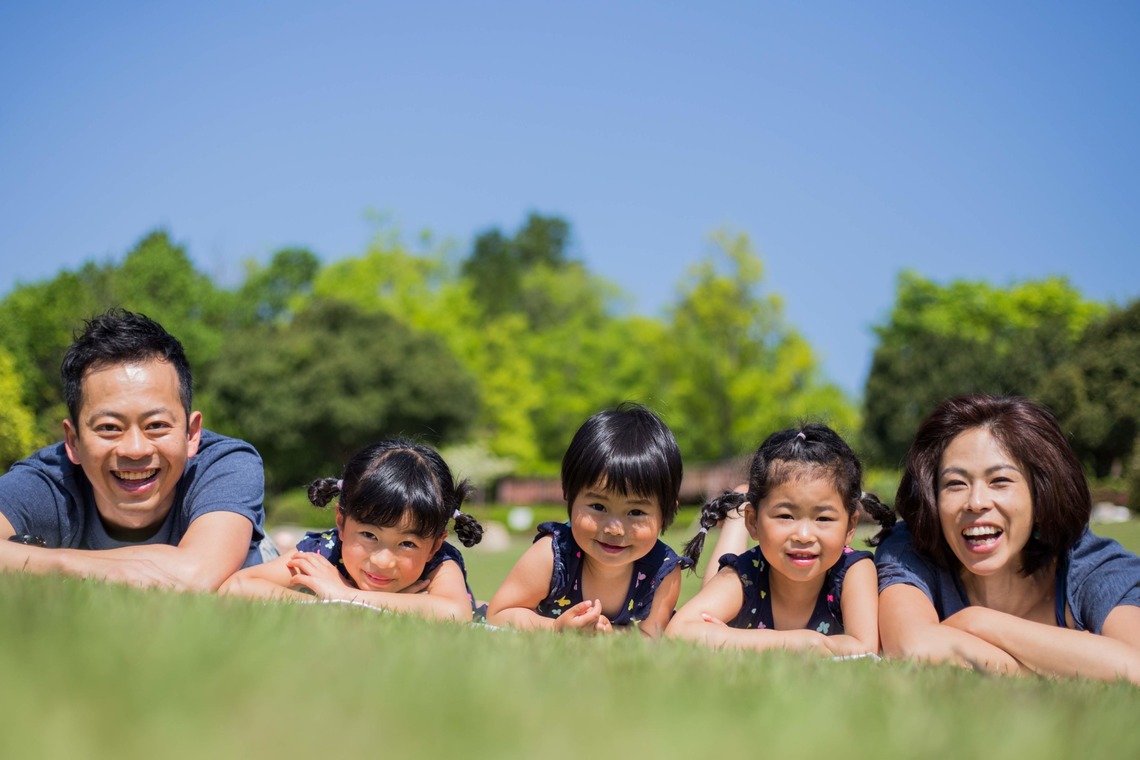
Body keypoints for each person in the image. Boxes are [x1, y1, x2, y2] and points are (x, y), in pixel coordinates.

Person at [875, 394, 1140, 683]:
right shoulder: (909, 548)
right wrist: (1060, 666)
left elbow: (1134, 665)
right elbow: (912, 646)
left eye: (999, 481)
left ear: (1041, 496)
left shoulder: (1094, 565)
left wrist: (977, 621)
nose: (976, 502)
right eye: (955, 484)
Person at [0, 309, 268, 591]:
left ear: (191, 434)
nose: (135, 450)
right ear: (74, 441)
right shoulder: (47, 481)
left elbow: (195, 574)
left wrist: (31, 560)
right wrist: (64, 564)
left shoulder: (226, 464)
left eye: (156, 425)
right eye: (109, 427)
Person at [666, 424, 891, 656]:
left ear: (850, 527)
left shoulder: (853, 571)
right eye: (785, 516)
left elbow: (865, 647)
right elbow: (679, 631)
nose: (803, 536)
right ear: (753, 522)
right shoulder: (745, 574)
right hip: (747, 564)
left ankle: (737, 517)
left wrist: (730, 637)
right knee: (715, 581)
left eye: (823, 518)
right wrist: (805, 642)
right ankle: (736, 521)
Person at [221, 439, 482, 622]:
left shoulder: (439, 563)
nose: (382, 560)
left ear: (434, 545)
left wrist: (346, 595)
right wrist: (332, 604)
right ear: (342, 524)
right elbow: (238, 586)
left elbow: (454, 613)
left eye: (407, 544)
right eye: (369, 535)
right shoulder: (325, 552)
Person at [487, 403, 690, 637]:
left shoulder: (662, 573)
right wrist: (555, 628)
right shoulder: (553, 556)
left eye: (635, 512)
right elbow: (500, 613)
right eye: (598, 507)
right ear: (569, 495)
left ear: (665, 513)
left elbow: (650, 637)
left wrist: (608, 635)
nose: (614, 529)